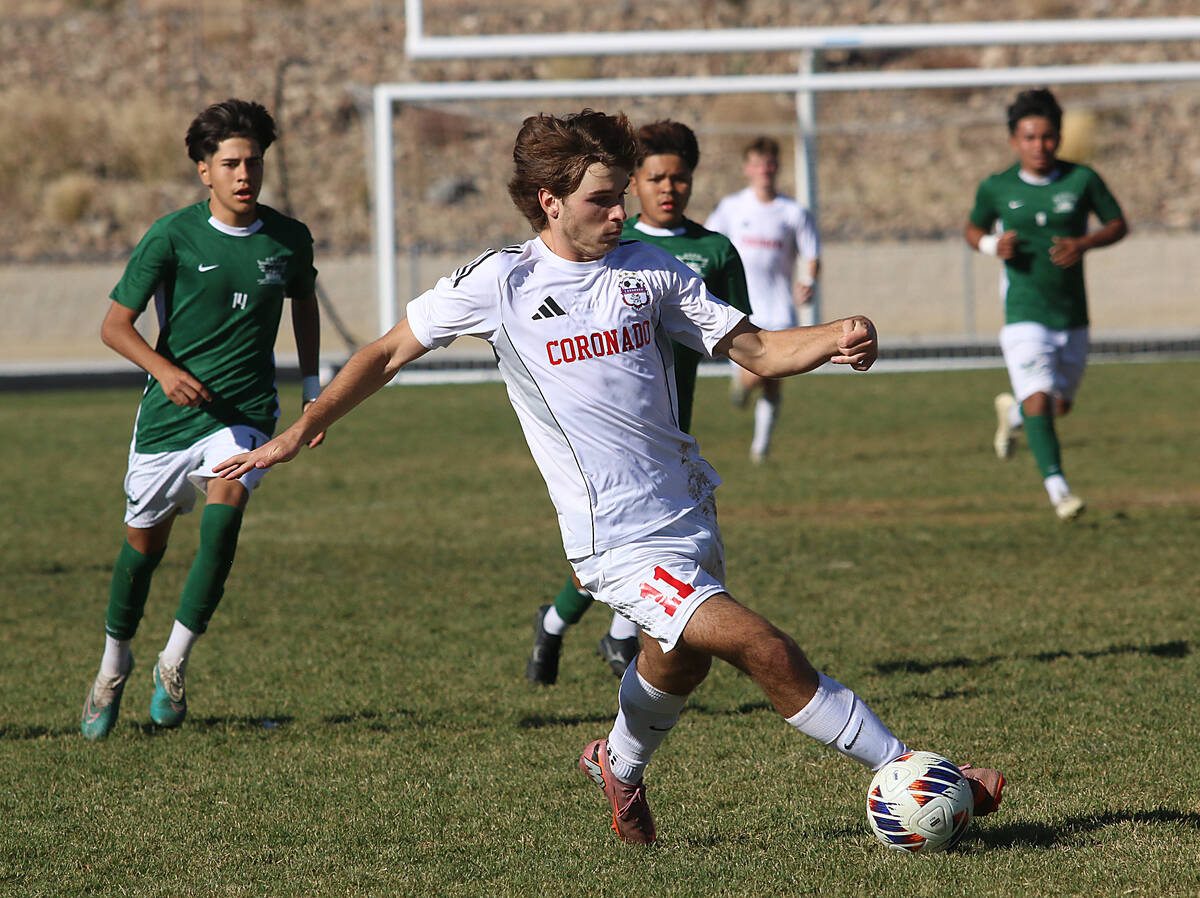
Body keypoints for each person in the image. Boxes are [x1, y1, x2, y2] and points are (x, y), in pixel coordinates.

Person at [214, 109, 1004, 844]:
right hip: (613, 538)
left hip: (686, 509)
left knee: (679, 661)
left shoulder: (651, 271)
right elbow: (385, 351)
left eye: (623, 196)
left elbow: (758, 351)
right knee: (760, 646)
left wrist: (839, 334)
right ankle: (910, 769)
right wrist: (303, 427)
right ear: (550, 201)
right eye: (602, 200)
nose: (621, 213)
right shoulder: (502, 282)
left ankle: (617, 766)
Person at [80, 98, 324, 741]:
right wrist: (162, 371)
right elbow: (113, 326)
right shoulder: (171, 235)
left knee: (228, 503)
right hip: (168, 417)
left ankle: (174, 661)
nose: (246, 175)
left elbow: (304, 304)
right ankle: (113, 665)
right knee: (142, 549)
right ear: (203, 171)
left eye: (255, 162)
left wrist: (312, 390)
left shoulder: (287, 238)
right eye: (231, 163)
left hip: (243, 412)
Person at [526, 119, 751, 687]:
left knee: (662, 563)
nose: (668, 189)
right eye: (654, 179)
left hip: (672, 425)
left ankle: (612, 648)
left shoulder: (713, 251)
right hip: (605, 433)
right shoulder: (609, 250)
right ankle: (563, 628)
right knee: (621, 559)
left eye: (680, 178)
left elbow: (744, 337)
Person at [965, 88, 1127, 521]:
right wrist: (990, 245)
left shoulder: (1082, 180)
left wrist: (1085, 242)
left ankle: (1012, 412)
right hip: (1023, 313)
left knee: (1058, 406)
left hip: (1072, 315)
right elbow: (971, 229)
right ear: (1014, 141)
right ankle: (1060, 491)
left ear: (1058, 136)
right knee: (1039, 398)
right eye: (1030, 138)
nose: (1040, 146)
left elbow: (1118, 224)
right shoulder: (997, 187)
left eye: (1048, 137)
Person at [705, 136, 821, 464]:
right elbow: (709, 242)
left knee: (773, 379)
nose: (764, 170)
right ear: (747, 168)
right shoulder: (732, 207)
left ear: (777, 167)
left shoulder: (793, 212)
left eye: (770, 163)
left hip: (781, 309)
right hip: (742, 308)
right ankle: (742, 385)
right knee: (760, 371)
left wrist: (808, 281)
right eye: (758, 163)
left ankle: (760, 448)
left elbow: (813, 254)